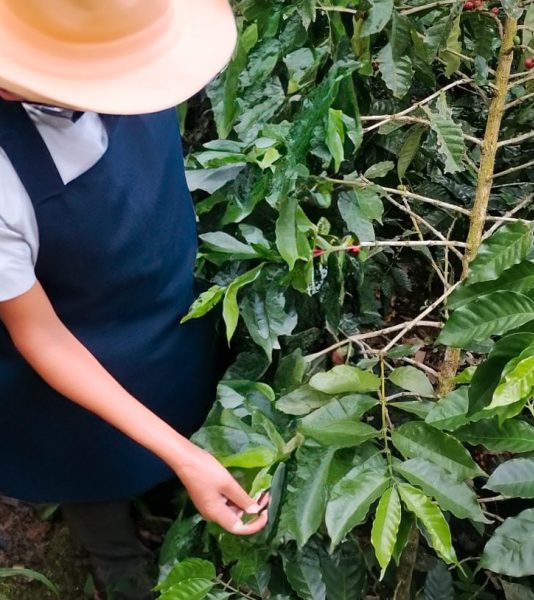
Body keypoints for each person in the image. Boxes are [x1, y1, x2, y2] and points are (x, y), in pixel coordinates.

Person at [0, 0, 269, 598]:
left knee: (174, 416)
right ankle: (116, 561)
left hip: (166, 317)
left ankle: (163, 486)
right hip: (73, 375)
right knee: (91, 471)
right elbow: (40, 335)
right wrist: (185, 458)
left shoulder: (131, 43)